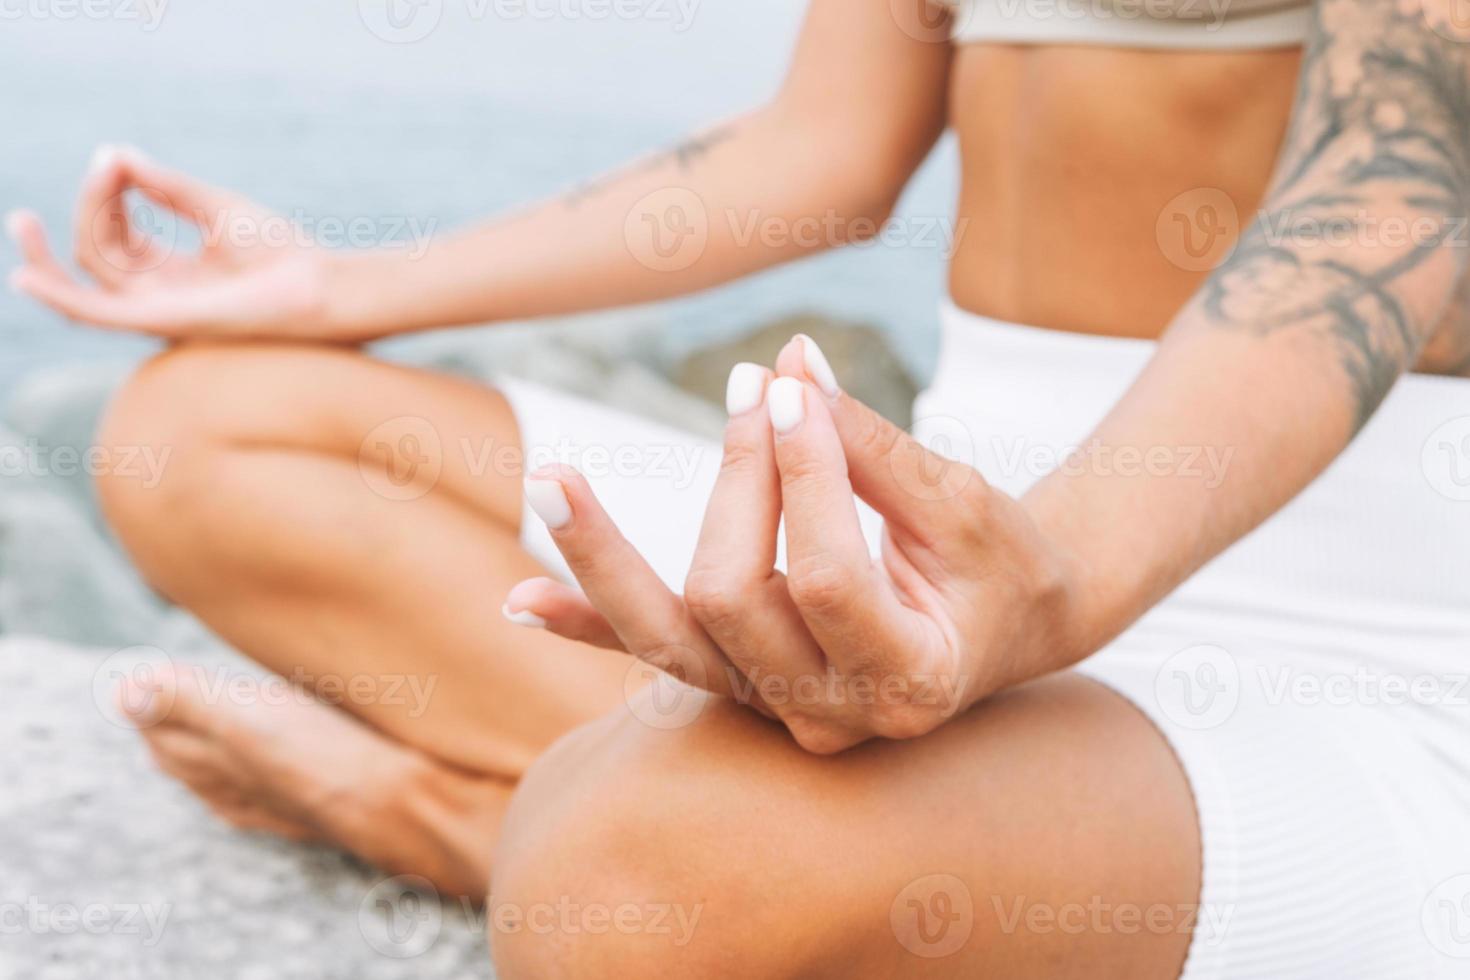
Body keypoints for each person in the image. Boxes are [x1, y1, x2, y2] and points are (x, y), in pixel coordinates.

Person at [8, 0, 1470, 975]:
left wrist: (1049, 587)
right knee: (212, 426)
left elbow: (1398, 173)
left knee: (636, 877)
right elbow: (819, 152)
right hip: (947, 552)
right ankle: (711, 835)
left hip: (1332, 651)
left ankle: (463, 823)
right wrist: (339, 283)